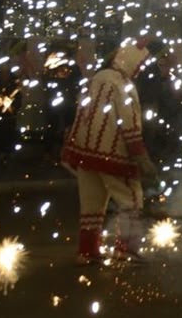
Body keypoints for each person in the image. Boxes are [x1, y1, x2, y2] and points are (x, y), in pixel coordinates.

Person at [62, 37, 165, 265]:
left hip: (84, 152)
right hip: (111, 155)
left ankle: (87, 252)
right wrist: (142, 159)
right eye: (140, 66)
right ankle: (126, 250)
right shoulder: (122, 84)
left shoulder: (96, 78)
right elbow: (129, 126)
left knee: (92, 206)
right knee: (132, 200)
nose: (140, 71)